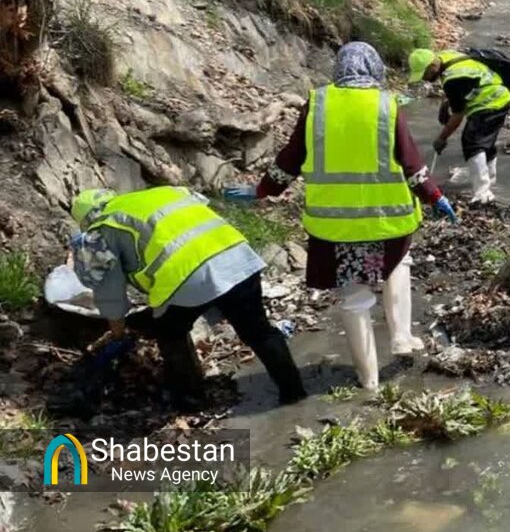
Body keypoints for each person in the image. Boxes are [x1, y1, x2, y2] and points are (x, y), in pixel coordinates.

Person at [231, 42, 457, 390]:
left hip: (335, 224)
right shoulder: (386, 104)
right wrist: (435, 197)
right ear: (374, 69)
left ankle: (369, 382)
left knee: (354, 298)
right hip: (387, 218)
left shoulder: (318, 104)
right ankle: (400, 337)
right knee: (397, 265)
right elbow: (411, 164)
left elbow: (289, 160)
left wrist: (261, 191)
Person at [68, 185, 306, 408]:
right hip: (237, 257)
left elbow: (110, 293)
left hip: (186, 276)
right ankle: (294, 393)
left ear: (86, 219)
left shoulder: (102, 229)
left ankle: (191, 399)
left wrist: (118, 332)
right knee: (259, 332)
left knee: (169, 332)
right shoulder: (164, 192)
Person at [410, 48, 510, 204]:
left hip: (488, 102)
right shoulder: (447, 56)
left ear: (432, 66)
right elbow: (467, 85)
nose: (425, 79)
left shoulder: (453, 79)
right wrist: (446, 103)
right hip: (501, 97)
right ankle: (490, 178)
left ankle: (483, 194)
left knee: (472, 143)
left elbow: (458, 116)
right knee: (486, 142)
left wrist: (441, 138)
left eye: (425, 74)